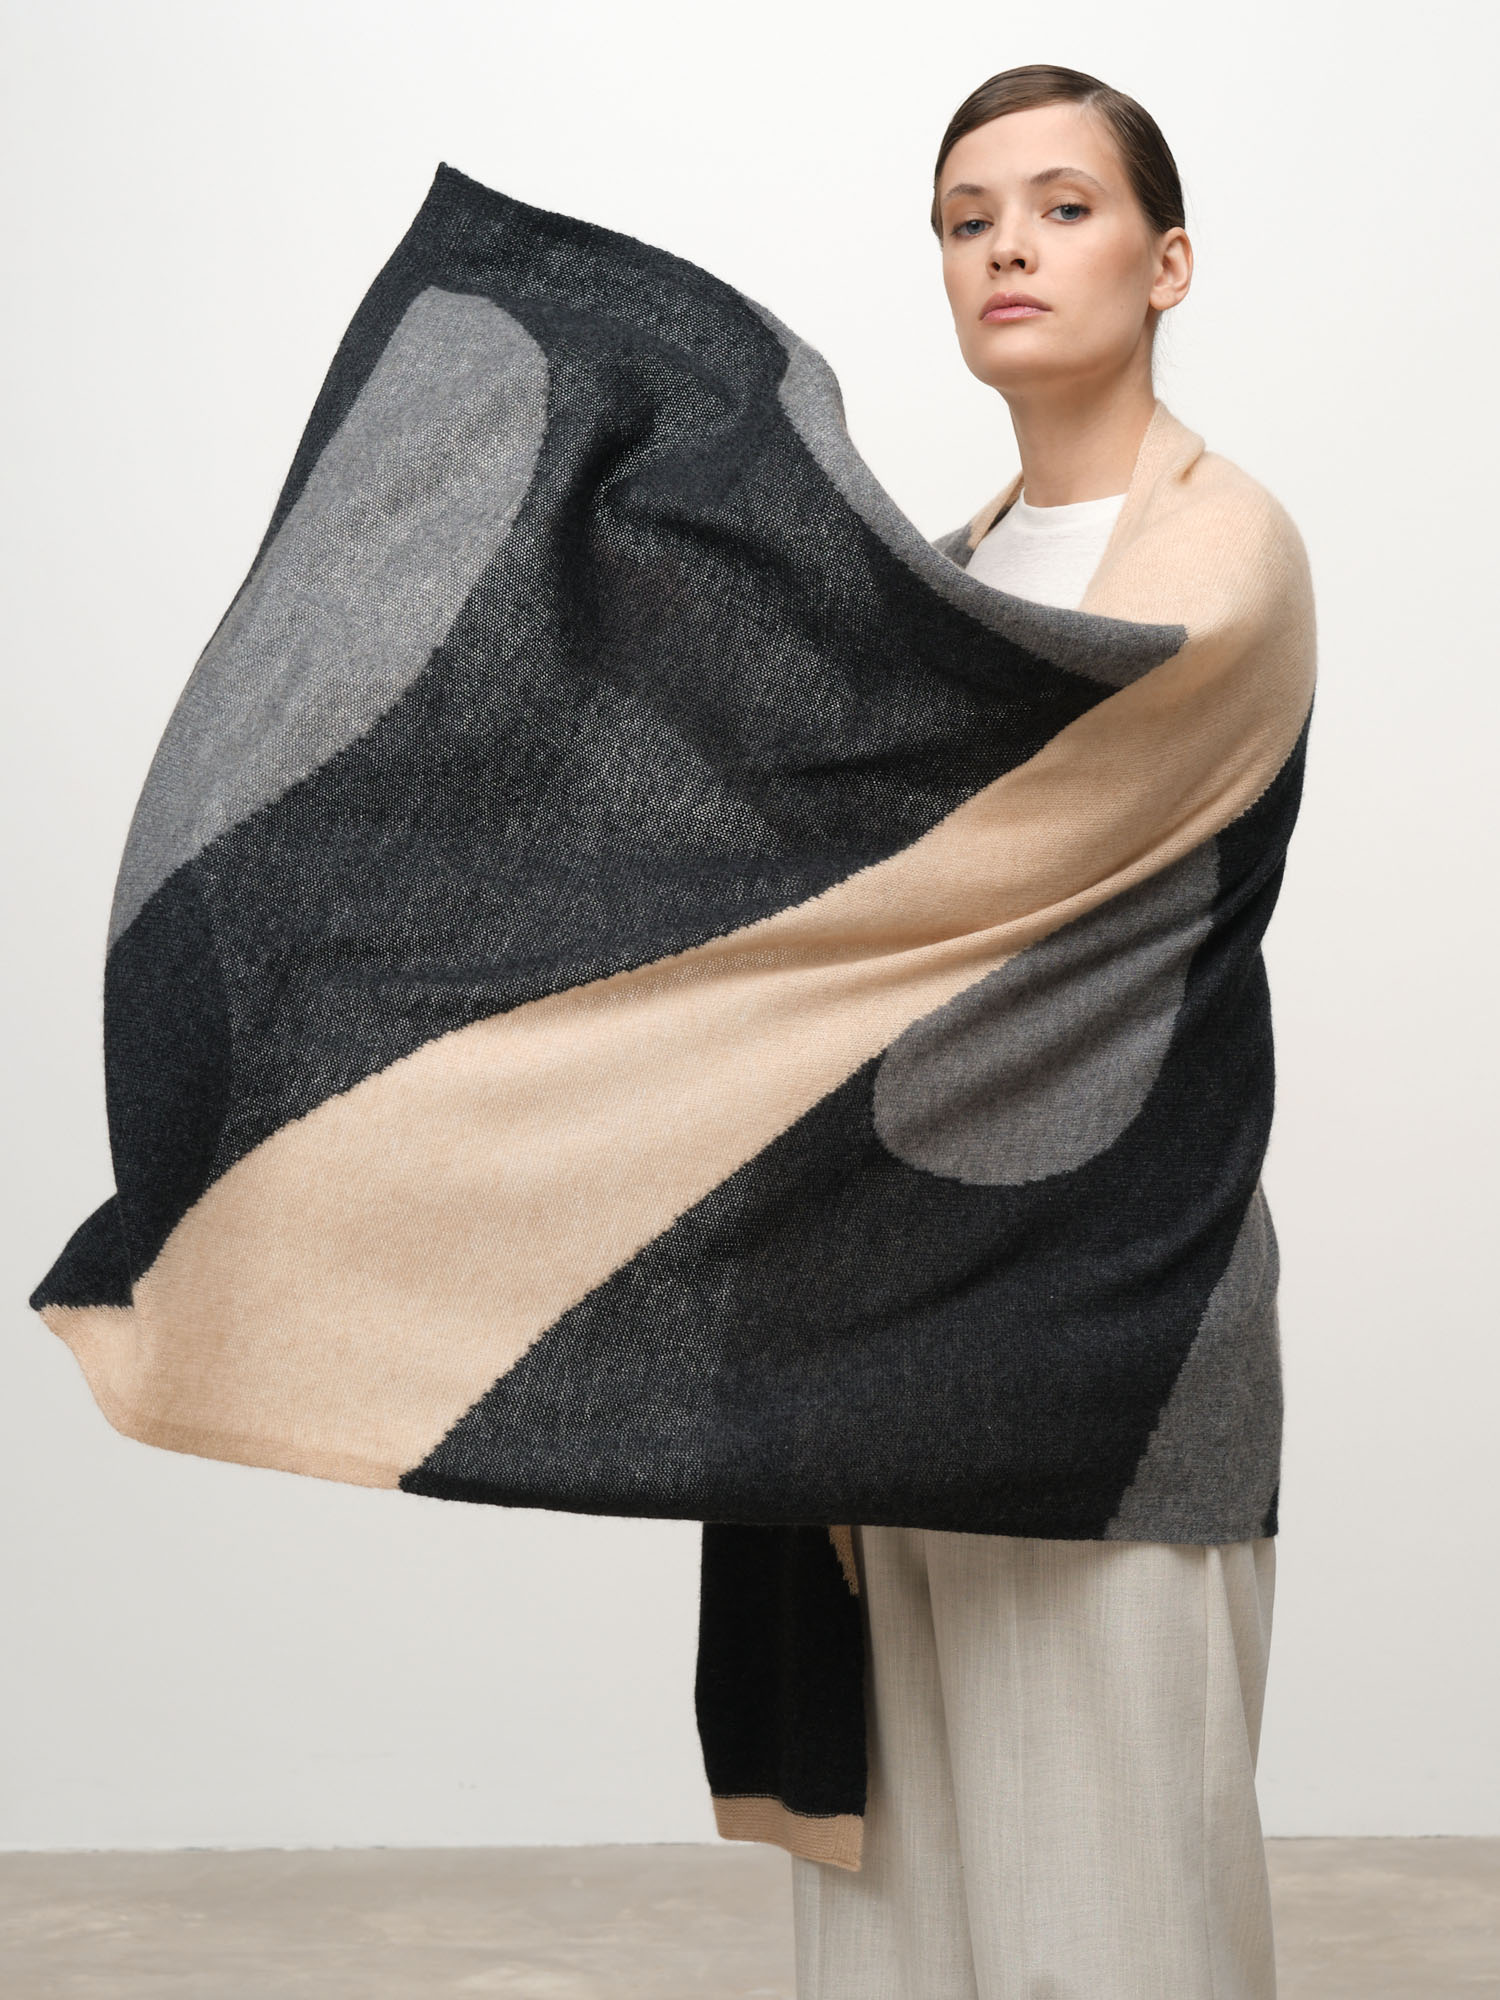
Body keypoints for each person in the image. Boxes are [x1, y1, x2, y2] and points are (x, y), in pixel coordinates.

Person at [787, 66, 1283, 2000]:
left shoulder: (1228, 557)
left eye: (1065, 207)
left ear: (1168, 265)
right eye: (966, 217)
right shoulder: (943, 575)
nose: (1008, 245)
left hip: (1110, 1325)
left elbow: (991, 901)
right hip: (890, 1319)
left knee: (1114, 1922)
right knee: (905, 1927)